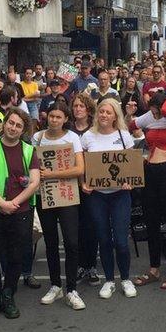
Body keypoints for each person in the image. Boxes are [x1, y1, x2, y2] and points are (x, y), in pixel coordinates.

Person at [0, 108, 40, 321]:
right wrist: (1, 203)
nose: (13, 128)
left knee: (16, 256)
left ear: (23, 130)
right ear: (4, 124)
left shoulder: (29, 150)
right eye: (11, 123)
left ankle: (8, 294)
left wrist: (14, 202)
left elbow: (34, 182)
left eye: (18, 125)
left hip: (20, 210)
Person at [130, 92, 166, 291]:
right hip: (151, 170)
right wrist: (131, 114)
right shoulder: (151, 116)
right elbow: (132, 126)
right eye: (151, 111)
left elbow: (165, 110)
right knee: (151, 220)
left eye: (156, 110)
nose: (154, 115)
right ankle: (154, 268)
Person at [81, 99, 138, 300]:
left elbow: (132, 164)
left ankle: (125, 278)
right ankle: (108, 280)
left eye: (108, 112)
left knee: (121, 240)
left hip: (120, 195)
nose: (103, 115)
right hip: (97, 196)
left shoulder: (123, 136)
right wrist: (83, 182)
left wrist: (130, 181)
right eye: (101, 111)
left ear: (115, 116)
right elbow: (82, 164)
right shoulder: (88, 136)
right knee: (103, 239)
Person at [32, 103, 87, 310]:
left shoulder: (72, 138)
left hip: (67, 195)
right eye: (51, 116)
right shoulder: (37, 138)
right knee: (51, 242)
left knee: (72, 242)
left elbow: (79, 167)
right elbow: (32, 165)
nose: (54, 120)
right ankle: (55, 284)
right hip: (44, 196)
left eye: (58, 117)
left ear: (65, 119)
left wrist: (51, 174)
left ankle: (71, 288)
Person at [70, 92, 101, 286]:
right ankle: (80, 265)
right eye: (75, 106)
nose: (78, 109)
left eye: (81, 106)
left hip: (93, 184)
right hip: (71, 184)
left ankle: (91, 265)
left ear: (88, 110)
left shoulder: (95, 130)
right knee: (75, 227)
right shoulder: (68, 130)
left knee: (91, 225)